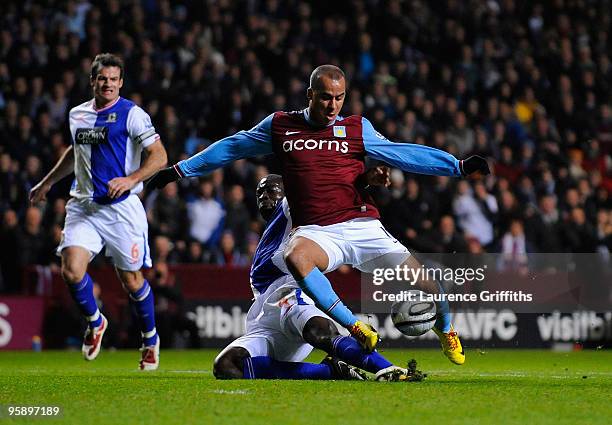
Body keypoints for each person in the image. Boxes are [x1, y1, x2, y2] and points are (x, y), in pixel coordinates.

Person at [150, 64, 489, 365]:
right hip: (316, 230)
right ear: (310, 94)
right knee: (296, 256)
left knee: (430, 283)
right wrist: (181, 170)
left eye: (340, 98)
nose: (333, 105)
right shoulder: (282, 126)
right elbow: (233, 146)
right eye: (326, 97)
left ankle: (446, 331)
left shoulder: (357, 128)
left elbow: (402, 153)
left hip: (361, 225)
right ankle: (355, 326)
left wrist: (456, 166)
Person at [30, 53, 167, 370]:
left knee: (132, 281)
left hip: (122, 210)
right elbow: (74, 152)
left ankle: (150, 339)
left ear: (121, 83)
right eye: (102, 78)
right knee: (71, 270)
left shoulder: (132, 114)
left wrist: (131, 179)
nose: (107, 84)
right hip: (83, 205)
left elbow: (159, 156)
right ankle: (95, 321)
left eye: (113, 79)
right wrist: (47, 183)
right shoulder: (77, 114)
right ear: (93, 81)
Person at [214, 173, 424, 381]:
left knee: (318, 331)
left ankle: (388, 368)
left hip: (290, 293)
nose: (264, 197)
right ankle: (330, 370)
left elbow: (311, 182)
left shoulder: (291, 208)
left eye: (271, 190)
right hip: (264, 320)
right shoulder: (268, 233)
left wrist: (364, 177)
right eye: (259, 193)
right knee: (226, 366)